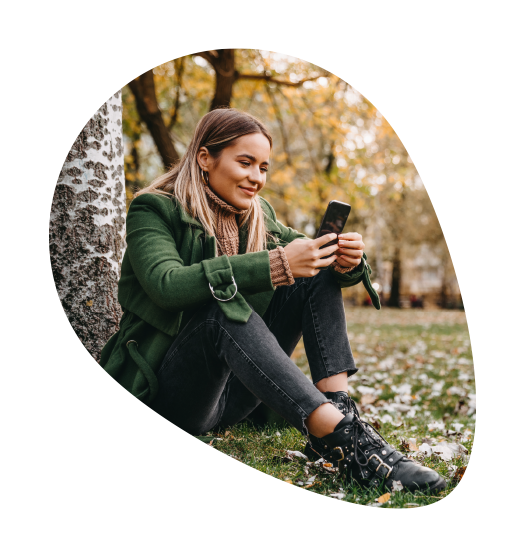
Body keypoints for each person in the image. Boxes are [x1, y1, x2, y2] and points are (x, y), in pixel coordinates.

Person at [100, 108, 445, 494]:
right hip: (172, 397)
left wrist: (347, 261)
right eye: (245, 163)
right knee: (219, 310)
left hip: (234, 398)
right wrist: (275, 262)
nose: (256, 179)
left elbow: (307, 253)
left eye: (263, 167)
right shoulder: (154, 209)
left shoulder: (258, 214)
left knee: (312, 275)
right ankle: (340, 435)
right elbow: (167, 285)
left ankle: (339, 415)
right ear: (205, 158)